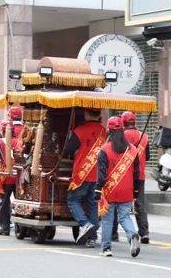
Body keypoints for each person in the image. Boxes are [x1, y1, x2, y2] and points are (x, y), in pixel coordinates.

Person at [96, 116, 142, 258]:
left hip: (110, 191)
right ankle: (132, 235)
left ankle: (106, 248)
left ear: (108, 130)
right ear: (122, 129)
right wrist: (135, 191)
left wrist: (98, 189)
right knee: (124, 217)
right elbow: (137, 173)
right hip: (127, 190)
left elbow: (101, 174)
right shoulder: (132, 150)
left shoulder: (104, 149)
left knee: (108, 219)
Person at [63, 109, 105, 246]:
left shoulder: (79, 131)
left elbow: (68, 150)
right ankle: (92, 238)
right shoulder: (104, 132)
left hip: (82, 173)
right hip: (98, 173)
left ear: (87, 114)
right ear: (99, 115)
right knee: (93, 204)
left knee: (73, 199)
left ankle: (84, 224)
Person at [115, 111, 150, 244]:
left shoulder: (120, 136)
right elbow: (148, 157)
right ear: (134, 122)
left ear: (123, 123)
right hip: (140, 175)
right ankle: (144, 233)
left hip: (122, 176)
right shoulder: (144, 136)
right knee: (140, 204)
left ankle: (113, 234)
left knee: (115, 203)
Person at [0, 122, 22, 236]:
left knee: (4, 203)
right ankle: (20, 228)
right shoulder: (19, 142)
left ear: (3, 131)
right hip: (19, 177)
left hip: (6, 176)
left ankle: (5, 227)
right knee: (20, 202)